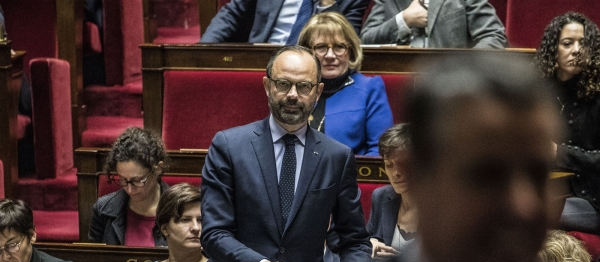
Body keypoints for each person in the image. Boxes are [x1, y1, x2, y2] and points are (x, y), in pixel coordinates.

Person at [187, 53, 600, 262]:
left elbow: (350, 239)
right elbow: (217, 233)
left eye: (536, 174)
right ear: (416, 176)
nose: (523, 205)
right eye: (487, 175)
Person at [190, 45, 371, 262]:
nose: (292, 95)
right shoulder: (229, 146)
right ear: (267, 86)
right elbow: (215, 234)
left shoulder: (337, 156)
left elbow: (354, 241)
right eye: (283, 84)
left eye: (304, 86)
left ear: (318, 92)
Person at [535, 12, 600, 234]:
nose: (576, 50)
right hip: (552, 188)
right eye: (567, 43)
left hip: (592, 199)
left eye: (583, 43)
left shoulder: (597, 95)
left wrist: (559, 153)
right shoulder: (540, 92)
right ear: (554, 49)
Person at [297, 12, 393, 156]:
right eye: (321, 47)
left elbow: (380, 151)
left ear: (350, 51)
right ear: (307, 51)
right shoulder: (294, 90)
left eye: (339, 47)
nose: (330, 56)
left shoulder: (370, 89)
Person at [88, 127, 170, 246]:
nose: (130, 190)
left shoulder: (180, 208)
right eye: (123, 180)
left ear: (157, 169)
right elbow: (93, 260)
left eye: (137, 180)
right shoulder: (103, 209)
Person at [200, 0, 370, 44]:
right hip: (261, 61)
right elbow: (232, 13)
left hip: (313, 74)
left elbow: (347, 44)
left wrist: (327, 4)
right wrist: (201, 52)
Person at [360, 0, 507, 48]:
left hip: (451, 86)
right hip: (402, 84)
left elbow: (493, 36)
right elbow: (366, 41)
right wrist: (404, 20)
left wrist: (466, 69)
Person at [367, 124, 416, 258]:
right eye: (389, 165)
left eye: (402, 164)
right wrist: (371, 244)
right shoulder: (381, 196)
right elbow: (364, 240)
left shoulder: (443, 206)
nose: (396, 173)